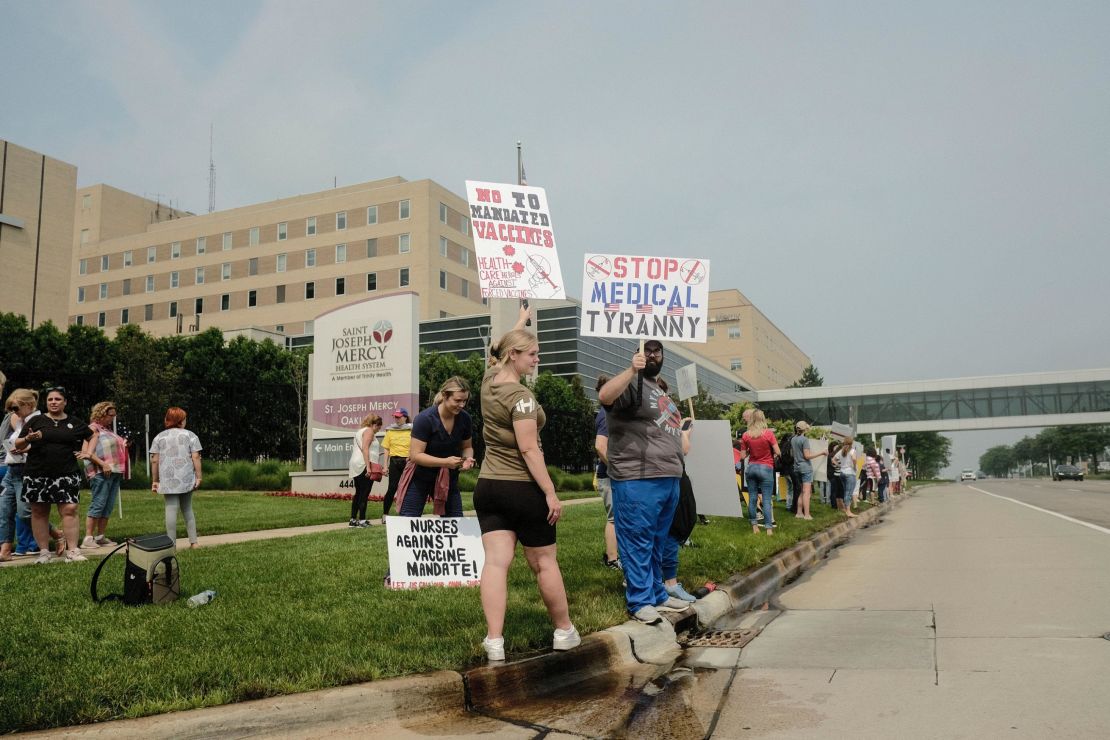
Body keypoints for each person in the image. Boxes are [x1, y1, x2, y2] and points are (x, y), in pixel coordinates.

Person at [474, 325, 580, 661]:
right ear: (513, 355)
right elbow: (529, 449)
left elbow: (498, 350)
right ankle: (564, 631)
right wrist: (550, 491)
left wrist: (520, 323)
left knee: (495, 563)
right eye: (532, 354)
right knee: (544, 562)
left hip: (488, 487)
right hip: (521, 488)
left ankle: (494, 640)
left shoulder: (488, 382)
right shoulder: (521, 398)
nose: (537, 359)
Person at [598, 339, 692, 625]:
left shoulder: (658, 388)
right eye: (646, 351)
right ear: (637, 355)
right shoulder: (631, 383)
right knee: (637, 539)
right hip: (638, 478)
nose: (652, 355)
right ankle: (639, 600)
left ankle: (657, 594)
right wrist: (631, 370)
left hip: (668, 476)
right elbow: (605, 396)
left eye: (657, 351)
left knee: (656, 540)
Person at [14, 387, 95, 563]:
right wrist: (28, 439)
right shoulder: (36, 420)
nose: (53, 402)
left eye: (58, 399)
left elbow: (92, 435)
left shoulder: (74, 422)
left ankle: (73, 551)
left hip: (67, 473)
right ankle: (44, 552)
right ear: (46, 402)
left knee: (70, 509)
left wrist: (88, 452)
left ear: (65, 402)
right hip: (37, 473)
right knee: (39, 511)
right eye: (50, 399)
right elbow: (18, 444)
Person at [395, 378, 475, 519]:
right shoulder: (425, 419)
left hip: (449, 479)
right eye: (457, 401)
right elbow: (415, 455)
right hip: (419, 477)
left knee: (455, 521)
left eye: (464, 401)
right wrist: (445, 462)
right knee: (408, 521)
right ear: (445, 396)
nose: (461, 405)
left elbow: (467, 446)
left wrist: (467, 458)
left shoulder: (465, 419)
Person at [2, 390, 64, 560]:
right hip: (11, 471)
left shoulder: (39, 421)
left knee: (25, 512)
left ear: (28, 405)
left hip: (26, 470)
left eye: (15, 408)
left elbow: (47, 446)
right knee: (5, 511)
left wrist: (25, 448)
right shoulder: (21, 422)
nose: (13, 412)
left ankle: (56, 533)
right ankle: (5, 550)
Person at [149, 407, 203, 548]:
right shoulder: (191, 435)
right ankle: (194, 542)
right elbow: (196, 456)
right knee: (187, 509)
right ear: (181, 420)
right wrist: (199, 477)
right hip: (186, 477)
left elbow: (154, 460)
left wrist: (155, 480)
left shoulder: (159, 437)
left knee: (171, 508)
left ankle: (171, 544)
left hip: (167, 479)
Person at [81, 401, 127, 549]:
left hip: (114, 472)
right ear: (101, 414)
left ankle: (100, 536)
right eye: (110, 415)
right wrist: (103, 464)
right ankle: (88, 538)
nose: (112, 418)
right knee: (98, 503)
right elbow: (87, 452)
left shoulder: (107, 430)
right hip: (101, 472)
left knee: (108, 505)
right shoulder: (93, 429)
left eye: (114, 415)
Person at [594, 374, 621, 574]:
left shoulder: (609, 412)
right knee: (614, 518)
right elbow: (600, 446)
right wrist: (615, 467)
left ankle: (615, 556)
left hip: (612, 474)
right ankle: (612, 559)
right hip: (610, 475)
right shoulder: (605, 414)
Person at [740, 409, 780, 535]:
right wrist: (772, 456)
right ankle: (768, 529)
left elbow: (742, 456)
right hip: (766, 468)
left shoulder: (746, 435)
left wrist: (750, 451)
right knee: (766, 499)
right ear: (763, 419)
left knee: (752, 499)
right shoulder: (768, 434)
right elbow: (778, 452)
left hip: (751, 468)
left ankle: (755, 527)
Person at [347, 414, 384, 527]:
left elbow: (366, 448)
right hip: (364, 465)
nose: (379, 429)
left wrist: (377, 455)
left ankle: (353, 520)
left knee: (358, 493)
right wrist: (368, 467)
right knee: (364, 493)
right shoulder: (369, 431)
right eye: (378, 426)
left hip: (356, 464)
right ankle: (362, 520)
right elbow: (365, 448)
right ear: (374, 424)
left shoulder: (360, 431)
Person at [380, 408, 412, 516]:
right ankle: (385, 514)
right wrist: (385, 466)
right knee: (392, 488)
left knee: (407, 488)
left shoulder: (412, 430)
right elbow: (386, 449)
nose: (396, 419)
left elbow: (416, 445)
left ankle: (405, 513)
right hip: (394, 462)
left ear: (405, 417)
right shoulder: (390, 430)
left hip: (408, 462)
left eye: (399, 417)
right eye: (395, 417)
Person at [791, 421, 824, 521]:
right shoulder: (804, 439)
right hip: (806, 468)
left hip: (796, 468)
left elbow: (794, 454)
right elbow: (807, 456)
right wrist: (821, 452)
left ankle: (799, 513)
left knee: (802, 491)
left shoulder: (793, 439)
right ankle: (807, 514)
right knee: (807, 492)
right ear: (805, 429)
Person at [832, 437, 859, 518]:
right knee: (849, 492)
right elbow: (854, 459)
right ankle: (848, 511)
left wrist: (839, 465)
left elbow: (833, 459)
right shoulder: (852, 450)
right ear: (851, 443)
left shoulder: (841, 451)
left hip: (842, 473)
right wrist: (854, 467)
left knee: (845, 492)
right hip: (850, 473)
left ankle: (846, 509)